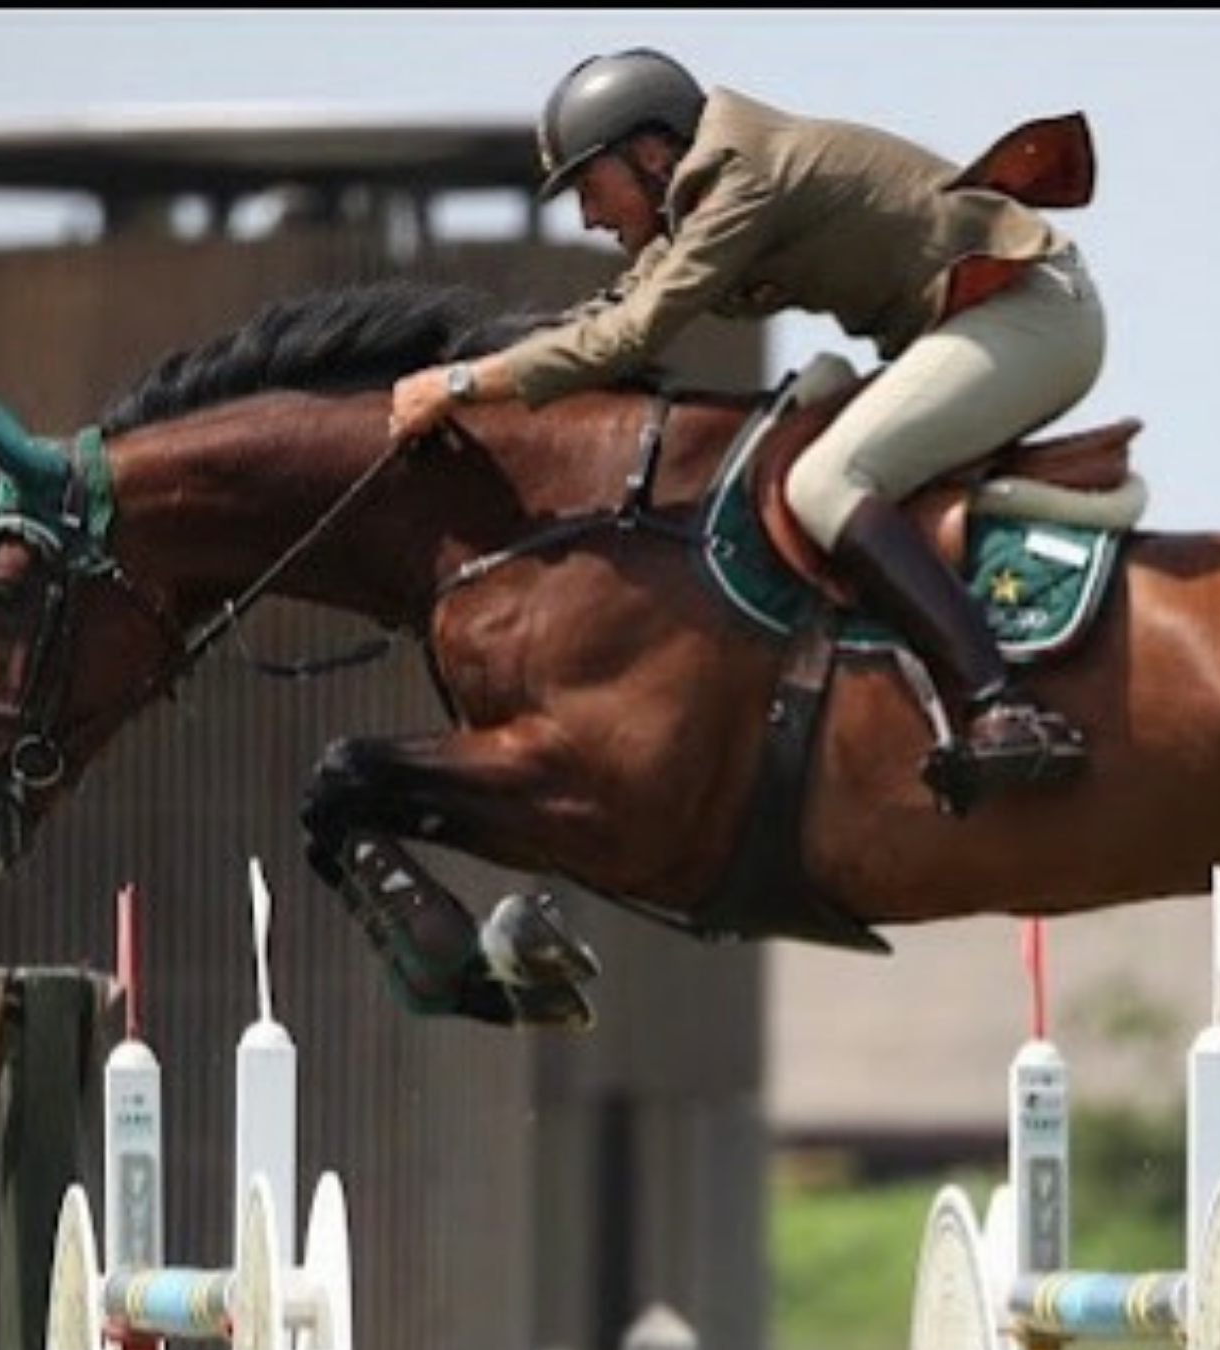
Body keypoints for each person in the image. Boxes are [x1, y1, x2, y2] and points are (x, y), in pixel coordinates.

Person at [389, 47, 1107, 810]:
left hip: (1034, 316)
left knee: (825, 481)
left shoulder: (744, 177)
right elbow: (602, 313)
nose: (590, 218)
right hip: (974, 327)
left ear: (652, 153)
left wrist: (462, 386)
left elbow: (630, 337)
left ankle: (1001, 704)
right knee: (781, 438)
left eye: (590, 189)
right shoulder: (696, 192)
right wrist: (466, 362)